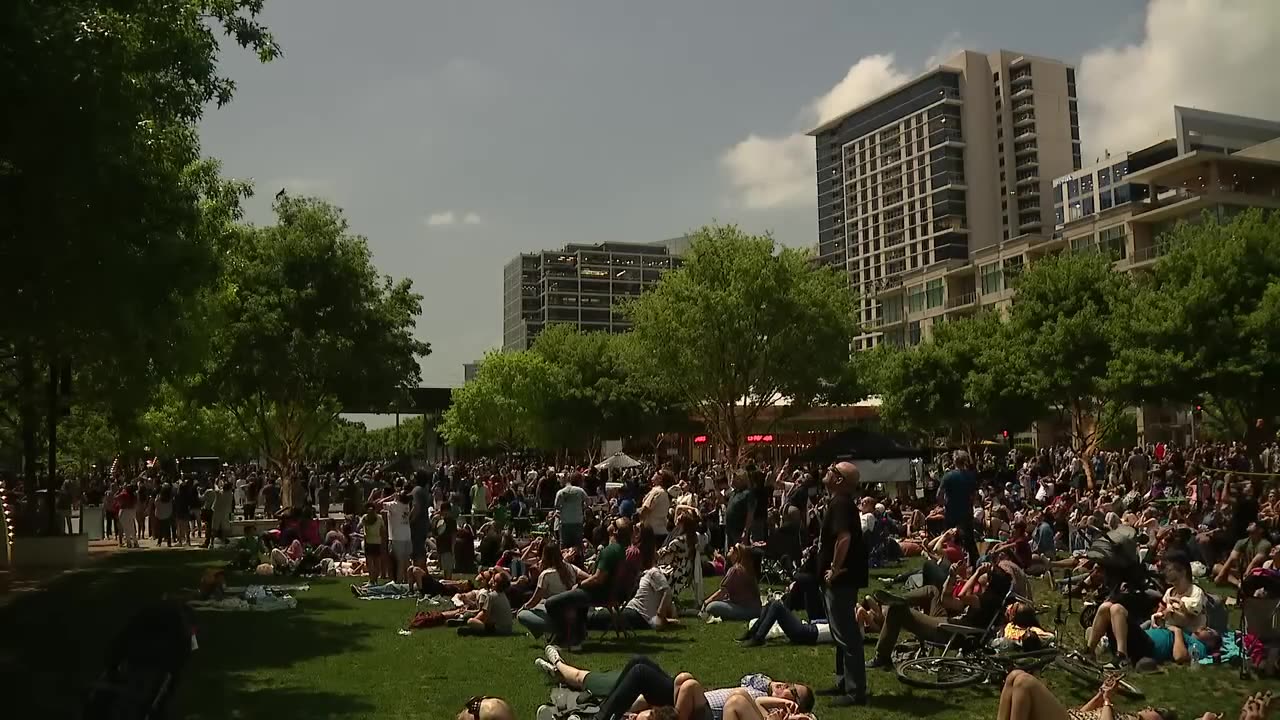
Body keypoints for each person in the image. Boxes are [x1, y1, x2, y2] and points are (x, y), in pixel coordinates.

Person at [817, 460, 868, 708]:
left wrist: (835, 569)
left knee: (847, 635)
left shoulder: (840, 504)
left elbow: (844, 538)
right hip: (843, 578)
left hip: (842, 579)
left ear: (839, 480)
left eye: (831, 470)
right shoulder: (841, 503)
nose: (826, 472)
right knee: (840, 633)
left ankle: (855, 691)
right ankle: (843, 681)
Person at [545, 517, 633, 649]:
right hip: (609, 593)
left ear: (614, 531)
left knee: (551, 603)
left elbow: (598, 578)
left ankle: (565, 639)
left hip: (598, 594)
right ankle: (578, 637)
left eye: (614, 523)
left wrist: (579, 585)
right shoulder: (621, 550)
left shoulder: (609, 551)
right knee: (578, 603)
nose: (610, 521)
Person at [996, 670, 1179, 720]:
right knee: (1014, 676)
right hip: (1070, 716)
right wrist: (1101, 695)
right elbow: (1083, 713)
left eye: (1156, 711)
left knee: (1024, 682)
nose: (1148, 708)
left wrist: (1107, 701)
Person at [518, 540, 587, 638]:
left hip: (555, 612)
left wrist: (523, 607)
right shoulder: (571, 568)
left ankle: (551, 632)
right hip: (570, 608)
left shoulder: (546, 574)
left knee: (522, 614)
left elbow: (534, 600)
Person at [941, 450, 979, 563]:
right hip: (966, 513)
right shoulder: (970, 476)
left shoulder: (948, 476)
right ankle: (975, 567)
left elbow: (939, 494)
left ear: (954, 461)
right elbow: (975, 496)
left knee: (949, 541)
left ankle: (950, 564)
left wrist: (944, 505)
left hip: (951, 513)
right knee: (970, 543)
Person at [1213, 521, 1272, 587]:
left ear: (1261, 530)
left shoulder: (1265, 544)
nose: (1249, 524)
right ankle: (1238, 584)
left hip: (1256, 574)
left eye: (1253, 524)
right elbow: (1232, 559)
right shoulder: (1242, 542)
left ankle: (1242, 583)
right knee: (1216, 567)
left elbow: (1254, 563)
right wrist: (1220, 575)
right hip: (1241, 572)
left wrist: (1245, 576)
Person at [383, 491, 413, 583]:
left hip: (397, 537)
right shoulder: (406, 505)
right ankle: (408, 581)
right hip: (407, 536)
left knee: (400, 562)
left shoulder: (394, 505)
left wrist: (391, 496)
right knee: (407, 561)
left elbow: (379, 503)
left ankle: (399, 582)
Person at [556, 473, 588, 549]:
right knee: (577, 547)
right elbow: (588, 503)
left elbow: (556, 506)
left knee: (564, 547)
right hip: (577, 523)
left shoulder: (560, 492)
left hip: (565, 524)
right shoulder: (580, 491)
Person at [361, 503, 387, 584]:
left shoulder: (365, 518)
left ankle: (372, 579)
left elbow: (364, 531)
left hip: (369, 542)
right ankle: (374, 579)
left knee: (370, 562)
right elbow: (383, 531)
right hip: (377, 542)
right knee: (376, 562)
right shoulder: (379, 518)